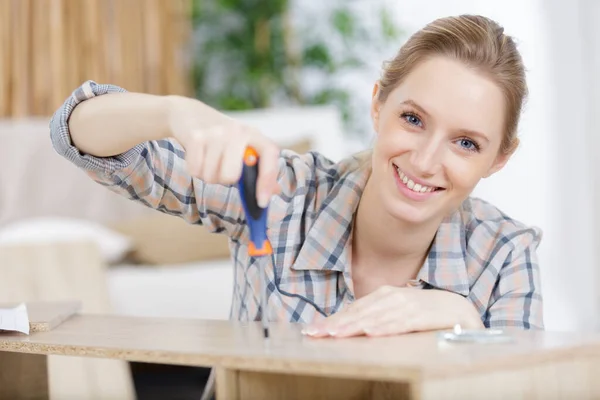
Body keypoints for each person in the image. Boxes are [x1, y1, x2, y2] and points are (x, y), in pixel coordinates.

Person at [50, 14, 543, 338]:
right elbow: (75, 136)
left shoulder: (504, 254)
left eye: (466, 143)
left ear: (499, 158)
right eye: (413, 119)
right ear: (377, 105)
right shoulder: (278, 193)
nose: (426, 160)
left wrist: (470, 327)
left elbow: (527, 387)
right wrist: (176, 112)